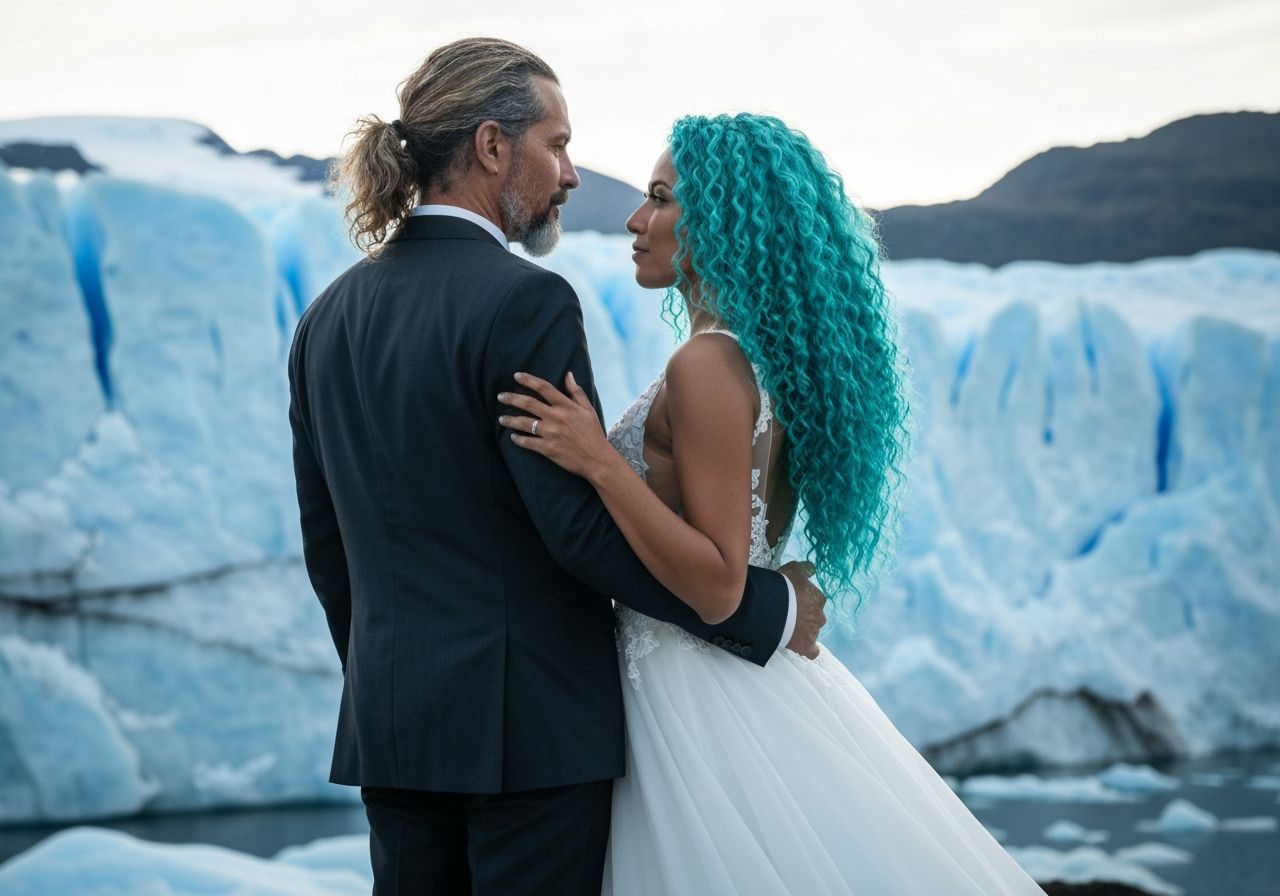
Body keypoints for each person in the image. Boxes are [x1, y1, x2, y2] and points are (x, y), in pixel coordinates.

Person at [286, 41, 825, 895]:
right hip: (528, 734)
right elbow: (573, 531)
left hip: (393, 731)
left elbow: (329, 550)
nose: (572, 176)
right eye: (558, 144)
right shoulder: (522, 300)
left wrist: (393, 685)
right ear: (493, 146)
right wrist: (762, 608)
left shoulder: (325, 319)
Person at [499, 113, 1047, 894]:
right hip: (724, 682)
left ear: (723, 221)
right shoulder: (752, 357)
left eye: (660, 199)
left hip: (694, 698)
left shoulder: (707, 363)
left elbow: (721, 583)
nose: (633, 218)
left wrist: (598, 461)